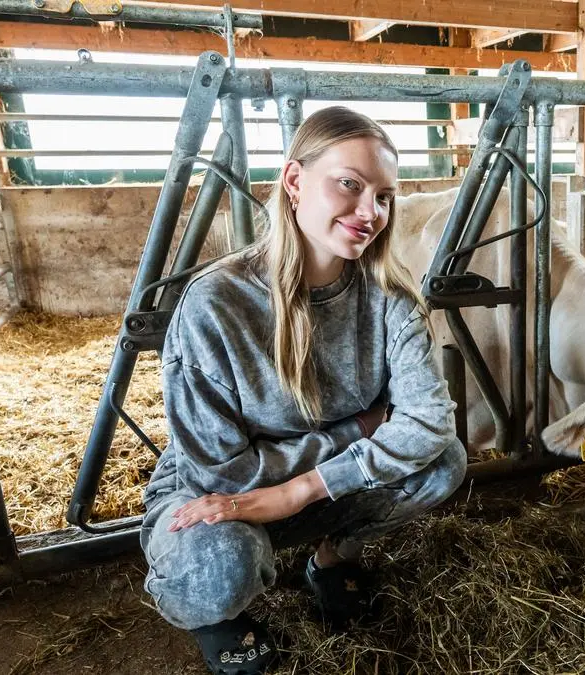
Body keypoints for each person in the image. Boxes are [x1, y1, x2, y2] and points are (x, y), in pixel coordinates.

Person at [140, 106, 465, 675]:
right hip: (218, 497)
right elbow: (220, 474)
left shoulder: (392, 298)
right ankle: (221, 620)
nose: (371, 212)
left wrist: (299, 491)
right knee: (219, 566)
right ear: (294, 181)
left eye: (384, 196)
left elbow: (430, 424)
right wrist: (356, 431)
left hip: (304, 489)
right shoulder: (217, 303)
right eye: (350, 184)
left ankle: (331, 558)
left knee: (443, 464)